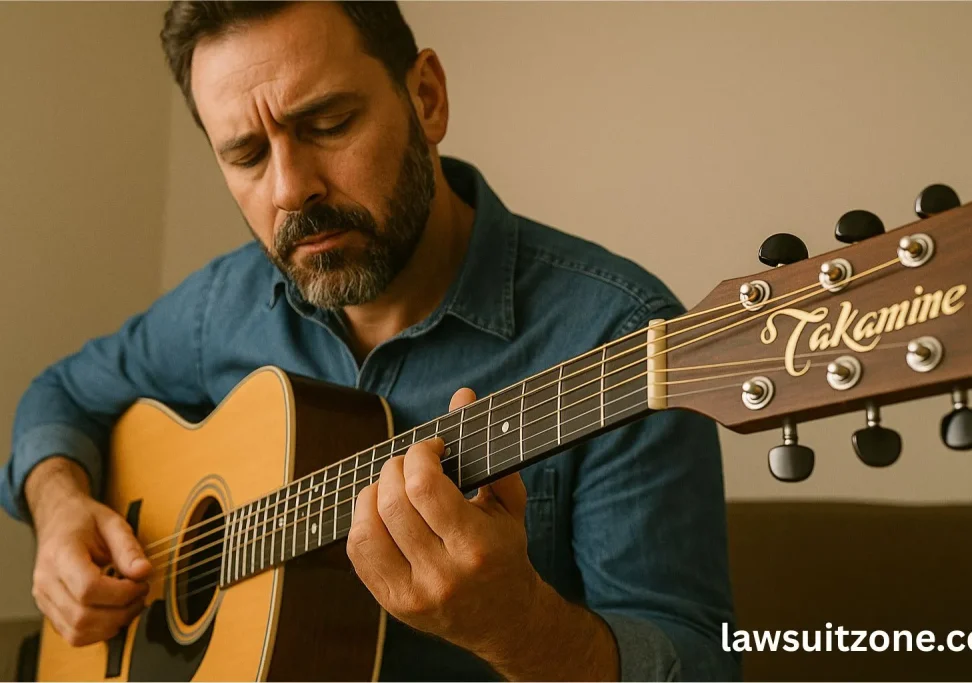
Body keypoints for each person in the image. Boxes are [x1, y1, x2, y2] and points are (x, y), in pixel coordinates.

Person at [1, 2, 739, 680]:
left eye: (327, 122)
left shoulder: (620, 336)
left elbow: (701, 665)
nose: (291, 189)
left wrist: (522, 628)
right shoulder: (222, 305)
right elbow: (61, 393)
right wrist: (59, 501)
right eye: (248, 155)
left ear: (426, 98)